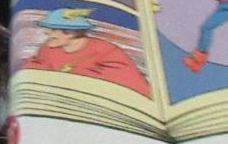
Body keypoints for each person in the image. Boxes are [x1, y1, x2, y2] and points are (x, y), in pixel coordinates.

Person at [22, 7, 151, 97]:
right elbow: (34, 69)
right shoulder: (48, 49)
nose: (46, 33)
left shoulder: (106, 52)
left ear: (70, 33)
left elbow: (133, 87)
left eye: (53, 30)